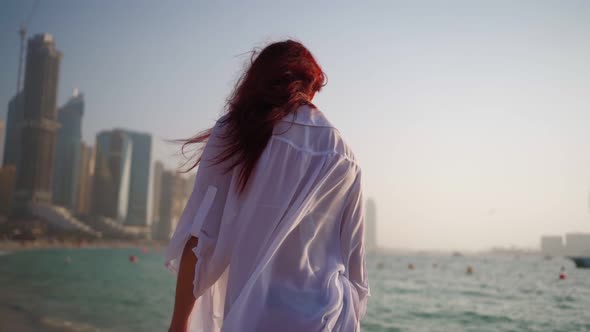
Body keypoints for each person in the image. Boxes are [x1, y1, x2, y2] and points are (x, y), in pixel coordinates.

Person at [166, 40, 369, 332]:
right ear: (311, 87)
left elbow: (202, 236)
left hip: (253, 320)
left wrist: (179, 323)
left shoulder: (236, 132)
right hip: (328, 320)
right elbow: (355, 268)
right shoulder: (344, 154)